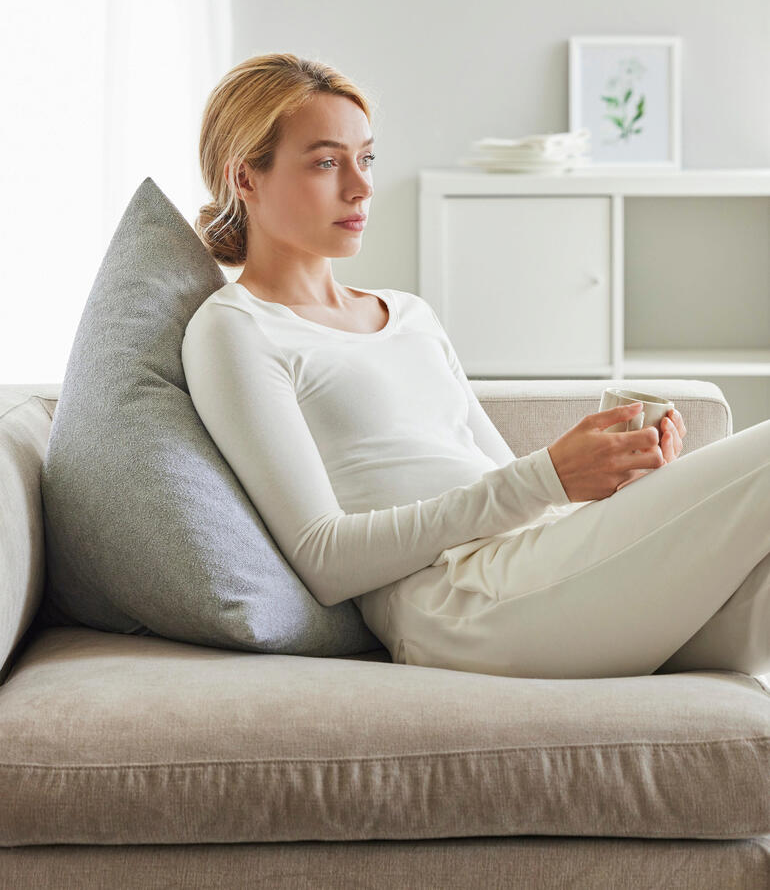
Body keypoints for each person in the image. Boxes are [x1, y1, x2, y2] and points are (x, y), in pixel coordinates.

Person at [183, 52, 770, 680]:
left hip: (538, 572)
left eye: (367, 157)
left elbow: (512, 487)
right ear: (245, 178)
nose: (361, 185)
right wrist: (549, 477)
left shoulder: (410, 315)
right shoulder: (234, 330)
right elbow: (324, 560)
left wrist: (616, 482)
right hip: (462, 606)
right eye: (327, 162)